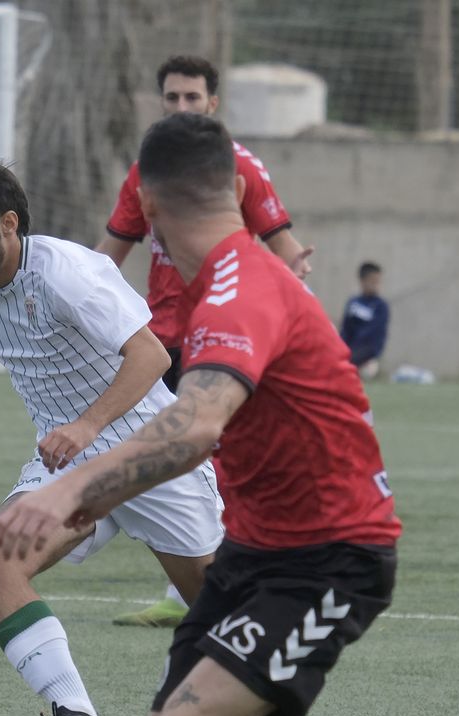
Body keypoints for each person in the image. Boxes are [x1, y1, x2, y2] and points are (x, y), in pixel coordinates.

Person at [0, 114, 402, 716]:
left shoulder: (238, 291)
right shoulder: (225, 279)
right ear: (241, 190)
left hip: (334, 557)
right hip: (260, 547)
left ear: (143, 208)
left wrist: (69, 490)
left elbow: (194, 424)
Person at [0, 159, 226, 716]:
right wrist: (75, 436)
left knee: (225, 619)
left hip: (150, 453)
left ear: (8, 224)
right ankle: (76, 715)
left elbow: (150, 358)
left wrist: (88, 423)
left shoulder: (69, 274)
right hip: (67, 465)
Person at [94, 54, 313, 629]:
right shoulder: (145, 172)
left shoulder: (240, 167)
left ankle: (221, 585)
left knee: (211, 461)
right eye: (173, 98)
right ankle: (193, 585)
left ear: (213, 104)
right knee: (181, 464)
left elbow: (286, 249)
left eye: (193, 98)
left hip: (224, 340)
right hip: (162, 344)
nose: (183, 107)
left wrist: (283, 301)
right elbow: (106, 262)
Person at [340, 262, 390, 380]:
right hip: (350, 349)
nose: (375, 285)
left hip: (368, 352)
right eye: (372, 281)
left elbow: (377, 335)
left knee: (347, 366)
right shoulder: (353, 302)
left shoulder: (381, 306)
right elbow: (346, 328)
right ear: (362, 281)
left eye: (377, 281)